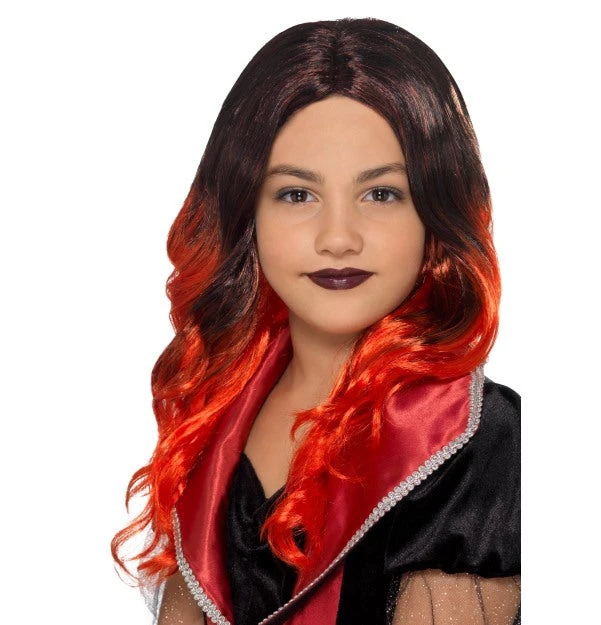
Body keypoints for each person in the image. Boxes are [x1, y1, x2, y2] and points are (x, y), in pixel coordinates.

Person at [112, 17, 521, 625]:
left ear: (434, 213)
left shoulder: (476, 440)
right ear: (246, 214)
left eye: (381, 194)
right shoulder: (214, 416)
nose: (337, 238)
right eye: (297, 194)